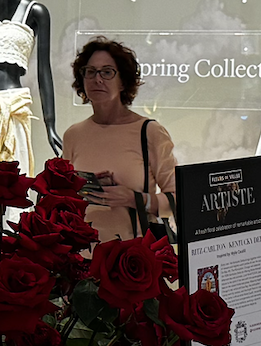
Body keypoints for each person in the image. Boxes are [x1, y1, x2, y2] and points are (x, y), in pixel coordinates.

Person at [58, 37, 177, 248]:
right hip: (79, 260)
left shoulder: (149, 132)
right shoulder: (73, 135)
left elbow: (179, 200)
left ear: (123, 81)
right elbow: (61, 195)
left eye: (107, 72)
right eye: (90, 71)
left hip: (132, 259)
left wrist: (134, 199)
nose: (97, 79)